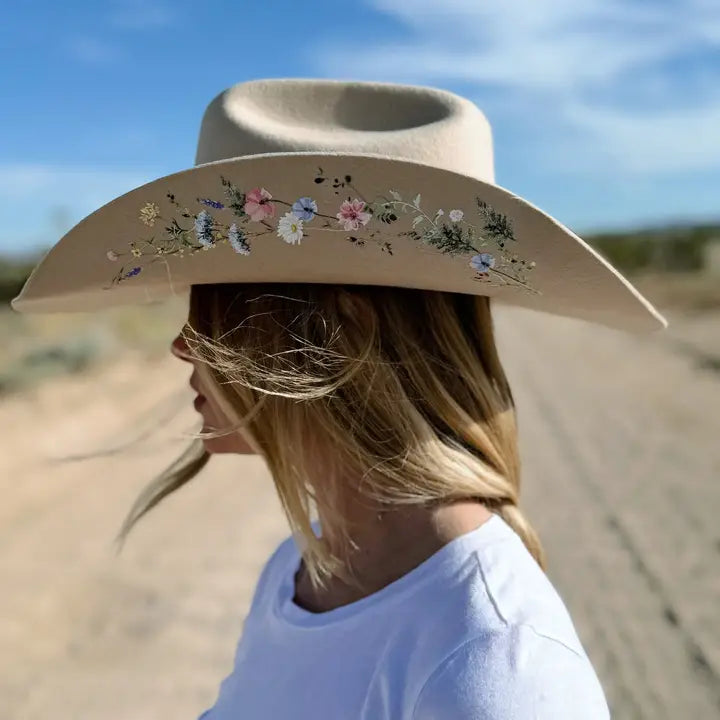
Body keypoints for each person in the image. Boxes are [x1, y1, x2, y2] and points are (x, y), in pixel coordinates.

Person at [13, 78, 666, 718]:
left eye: (213, 308)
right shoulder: (303, 568)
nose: (184, 346)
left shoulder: (496, 666)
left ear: (342, 332)